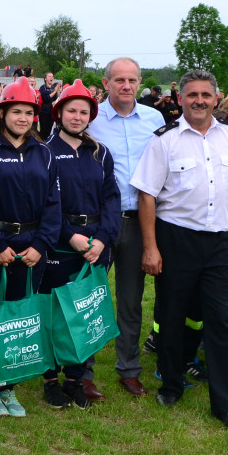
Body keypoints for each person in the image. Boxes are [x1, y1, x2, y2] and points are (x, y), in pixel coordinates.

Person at [132, 69, 228, 432]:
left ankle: (224, 404)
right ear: (180, 98)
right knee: (171, 315)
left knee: (220, 321)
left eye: (205, 94)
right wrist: (151, 247)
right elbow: (147, 195)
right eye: (192, 95)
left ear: (216, 98)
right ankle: (171, 385)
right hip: (176, 238)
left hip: (220, 241)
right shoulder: (164, 140)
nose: (199, 100)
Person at [0, 76, 61, 417]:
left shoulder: (44, 153)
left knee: (20, 317)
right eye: (16, 112)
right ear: (2, 113)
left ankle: (9, 383)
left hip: (32, 248)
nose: (22, 118)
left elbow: (54, 203)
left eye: (28, 113)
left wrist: (41, 244)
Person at [38, 80, 121, 409]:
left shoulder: (99, 152)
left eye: (83, 111)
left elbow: (112, 198)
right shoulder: (44, 151)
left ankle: (75, 378)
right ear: (59, 113)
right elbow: (45, 202)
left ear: (91, 116)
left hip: (96, 244)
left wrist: (102, 239)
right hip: (60, 243)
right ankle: (50, 379)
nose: (77, 116)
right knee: (54, 314)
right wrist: (69, 235)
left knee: (85, 312)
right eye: (70, 110)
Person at [88, 57, 167, 397]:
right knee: (89, 299)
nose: (126, 85)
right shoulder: (89, 118)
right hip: (98, 223)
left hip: (139, 222)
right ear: (106, 83)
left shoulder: (155, 119)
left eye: (132, 80)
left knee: (131, 300)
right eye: (119, 79)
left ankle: (129, 368)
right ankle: (83, 371)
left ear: (139, 82)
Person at [38, 73, 61, 138]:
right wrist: (54, 92)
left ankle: (46, 143)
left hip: (51, 110)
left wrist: (58, 90)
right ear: (45, 78)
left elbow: (58, 97)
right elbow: (46, 98)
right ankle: (41, 143)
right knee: (43, 129)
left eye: (52, 76)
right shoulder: (43, 87)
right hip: (44, 110)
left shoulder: (54, 87)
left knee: (49, 128)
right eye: (49, 76)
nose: (51, 77)